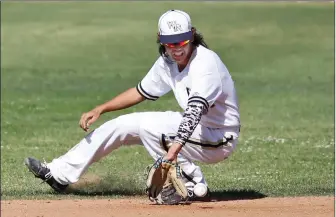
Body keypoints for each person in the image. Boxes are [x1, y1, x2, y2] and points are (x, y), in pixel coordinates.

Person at [25, 9, 241, 203]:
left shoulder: (205, 65)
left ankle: (191, 183)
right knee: (124, 125)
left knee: (148, 126)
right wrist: (101, 108)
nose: (176, 49)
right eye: (170, 43)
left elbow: (193, 113)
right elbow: (140, 92)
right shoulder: (168, 62)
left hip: (218, 139)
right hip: (199, 130)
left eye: (181, 42)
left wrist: (171, 154)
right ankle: (59, 174)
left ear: (192, 35)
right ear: (160, 40)